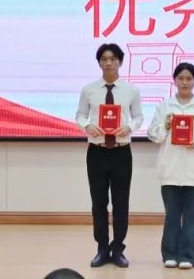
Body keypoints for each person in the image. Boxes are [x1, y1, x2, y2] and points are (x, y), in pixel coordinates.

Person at [75, 43, 144, 269]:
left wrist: (129, 127)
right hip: (97, 152)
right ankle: (102, 249)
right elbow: (80, 115)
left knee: (121, 203)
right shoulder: (89, 90)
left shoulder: (131, 90)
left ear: (120, 62)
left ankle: (118, 249)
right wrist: (87, 126)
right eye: (104, 59)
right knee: (99, 203)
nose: (108, 62)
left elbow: (138, 117)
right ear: (99, 63)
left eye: (113, 59)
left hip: (121, 152)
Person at [146, 62, 194, 269]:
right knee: (171, 215)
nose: (185, 82)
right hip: (169, 168)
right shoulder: (165, 107)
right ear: (174, 81)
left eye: (189, 78)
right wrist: (165, 126)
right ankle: (169, 254)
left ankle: (187, 255)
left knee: (191, 216)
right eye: (181, 78)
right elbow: (153, 135)